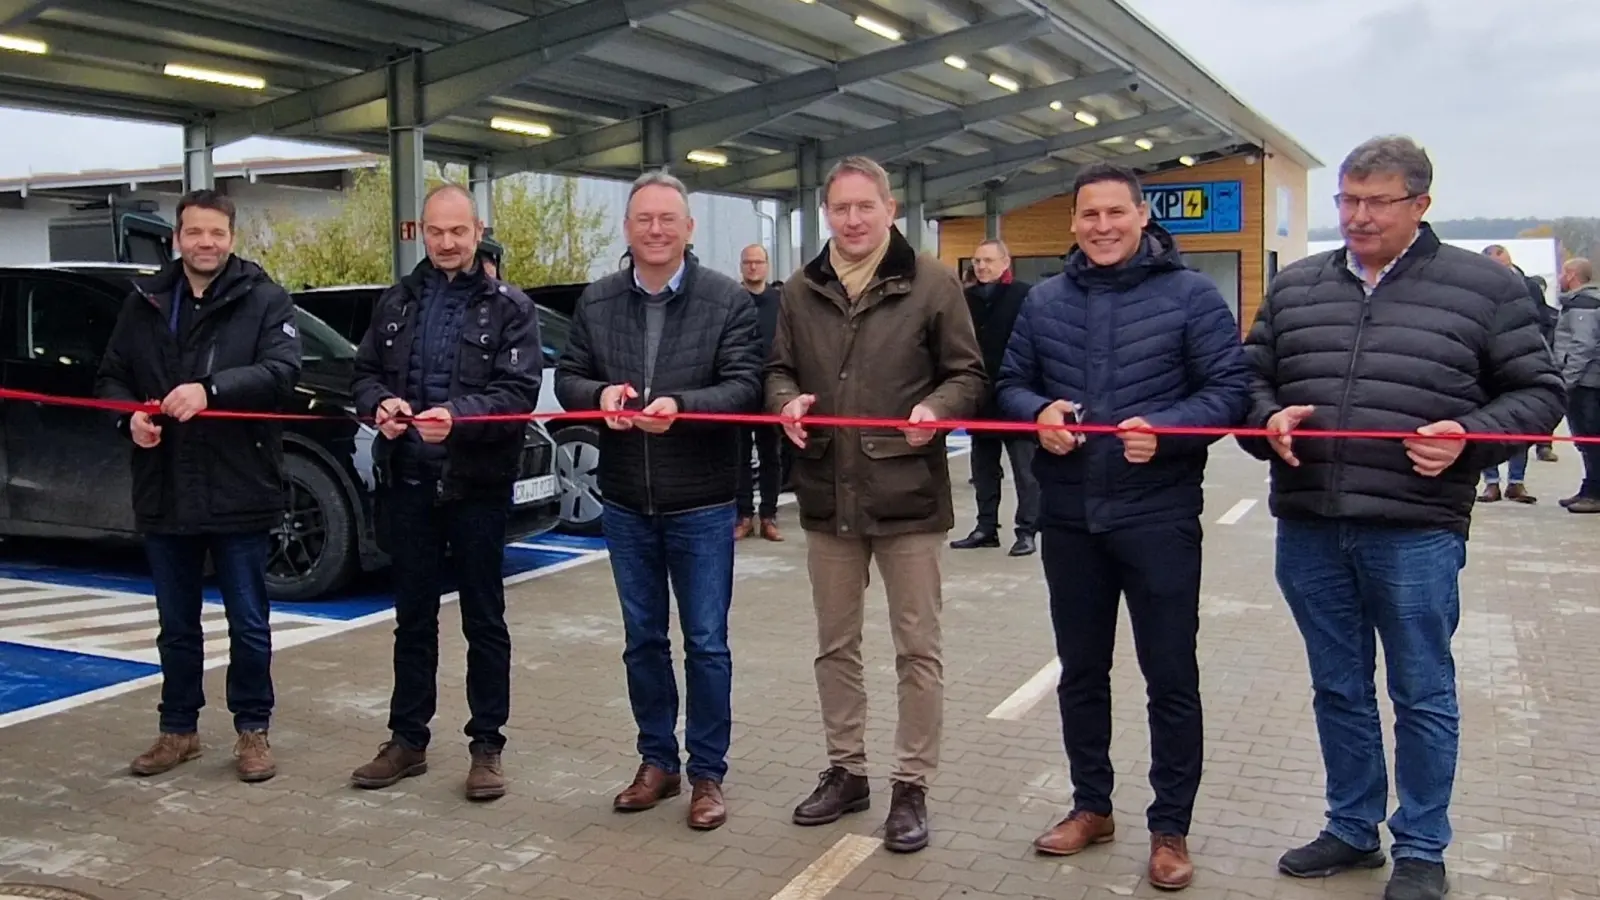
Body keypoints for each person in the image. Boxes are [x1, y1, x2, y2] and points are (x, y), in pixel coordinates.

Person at [1238, 136, 1564, 900]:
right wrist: (1265, 420)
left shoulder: (1483, 288)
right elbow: (1249, 379)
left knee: (1421, 691)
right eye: (1346, 200)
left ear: (1420, 204)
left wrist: (1470, 440)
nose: (1355, 216)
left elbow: (1540, 392)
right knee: (1338, 686)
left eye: (1374, 201)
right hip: (1311, 520)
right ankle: (1352, 827)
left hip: (1417, 529)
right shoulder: (1297, 288)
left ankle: (1422, 844)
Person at [995, 163, 1249, 890]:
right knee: (1081, 672)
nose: (1102, 226)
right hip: (1071, 517)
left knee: (1170, 676)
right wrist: (1035, 413)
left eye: (1115, 212)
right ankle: (1091, 806)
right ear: (1073, 224)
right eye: (1088, 215)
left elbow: (1228, 390)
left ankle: (1171, 827)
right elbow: (1009, 383)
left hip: (1159, 517)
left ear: (1143, 216)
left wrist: (1167, 430)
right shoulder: (1045, 301)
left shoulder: (1192, 296)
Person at [766, 155, 986, 854]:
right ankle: (846, 770)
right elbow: (777, 368)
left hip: (908, 495)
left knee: (917, 648)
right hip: (828, 492)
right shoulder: (801, 289)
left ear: (891, 209)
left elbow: (969, 374)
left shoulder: (933, 283)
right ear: (825, 213)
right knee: (835, 645)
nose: (853, 220)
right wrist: (784, 403)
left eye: (865, 206)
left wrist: (937, 407)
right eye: (840, 208)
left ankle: (911, 785)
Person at [556, 170, 762, 831]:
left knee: (706, 643)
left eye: (668, 219)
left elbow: (744, 387)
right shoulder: (598, 300)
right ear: (628, 228)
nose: (655, 229)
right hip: (626, 501)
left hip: (700, 501)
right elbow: (568, 378)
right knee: (642, 640)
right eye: (644, 218)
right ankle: (656, 760)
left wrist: (684, 408)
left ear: (688, 229)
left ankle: (708, 773)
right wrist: (599, 398)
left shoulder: (727, 301)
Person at [95, 189, 302, 783]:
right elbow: (110, 376)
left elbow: (285, 372)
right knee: (176, 623)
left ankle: (252, 732)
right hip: (164, 487)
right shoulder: (146, 301)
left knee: (248, 623)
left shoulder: (263, 299)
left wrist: (212, 390)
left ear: (231, 237)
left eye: (216, 233)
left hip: (240, 483)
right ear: (177, 238)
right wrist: (127, 418)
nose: (205, 243)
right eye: (194, 233)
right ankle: (177, 730)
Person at [348, 183, 544, 802]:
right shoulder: (397, 300)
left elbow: (518, 394)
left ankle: (487, 746)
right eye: (436, 232)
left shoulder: (510, 307)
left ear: (477, 228)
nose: (447, 242)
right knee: (413, 620)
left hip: (476, 488)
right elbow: (363, 374)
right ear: (421, 232)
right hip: (407, 483)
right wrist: (379, 404)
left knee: (485, 620)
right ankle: (408, 740)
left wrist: (458, 415)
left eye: (458, 231)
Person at [951, 239, 1039, 557]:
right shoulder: (966, 299)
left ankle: (1027, 531)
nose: (981, 267)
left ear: (1005, 262)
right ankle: (985, 528)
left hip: (1018, 396)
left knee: (1026, 470)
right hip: (981, 398)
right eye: (976, 261)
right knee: (984, 469)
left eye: (988, 260)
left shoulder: (1026, 296)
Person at [1477, 244, 1558, 500]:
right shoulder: (1477, 287)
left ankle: (1516, 481)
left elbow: (1543, 319)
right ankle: (1491, 483)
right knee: (1485, 424)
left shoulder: (1529, 286)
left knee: (1519, 424)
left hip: (1521, 360)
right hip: (1484, 362)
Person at [735, 242, 786, 542]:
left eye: (758, 262)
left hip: (771, 389)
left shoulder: (780, 302)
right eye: (748, 262)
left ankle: (769, 515)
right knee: (739, 455)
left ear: (766, 266)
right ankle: (744, 515)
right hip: (739, 388)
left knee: (771, 455)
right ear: (741, 266)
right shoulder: (731, 300)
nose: (753, 267)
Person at [1554, 257, 1600, 512]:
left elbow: (1583, 346)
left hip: (1586, 383)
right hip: (1586, 381)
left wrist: (1566, 381)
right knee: (1586, 440)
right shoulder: (1582, 303)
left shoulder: (1583, 306)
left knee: (1590, 438)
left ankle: (1594, 493)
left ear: (1571, 275)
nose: (1559, 277)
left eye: (1562, 272)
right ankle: (1589, 487)